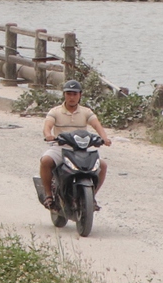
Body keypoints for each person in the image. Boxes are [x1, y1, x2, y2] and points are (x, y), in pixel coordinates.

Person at [40, 79, 110, 209]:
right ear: (64, 95)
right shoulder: (55, 111)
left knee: (103, 166)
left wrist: (104, 138)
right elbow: (47, 125)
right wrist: (48, 135)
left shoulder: (86, 112)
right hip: (61, 148)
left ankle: (91, 198)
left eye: (75, 94)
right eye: (69, 94)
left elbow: (96, 125)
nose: (72, 97)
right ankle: (48, 195)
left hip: (82, 149)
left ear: (80, 95)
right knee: (46, 161)